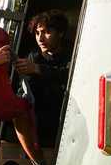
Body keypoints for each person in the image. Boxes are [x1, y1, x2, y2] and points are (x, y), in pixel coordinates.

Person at [15, 10, 70, 150]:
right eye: (37, 33)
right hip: (39, 125)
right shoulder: (33, 57)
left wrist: (38, 69)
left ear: (60, 33)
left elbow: (68, 76)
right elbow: (24, 92)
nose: (40, 39)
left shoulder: (71, 55)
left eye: (46, 32)